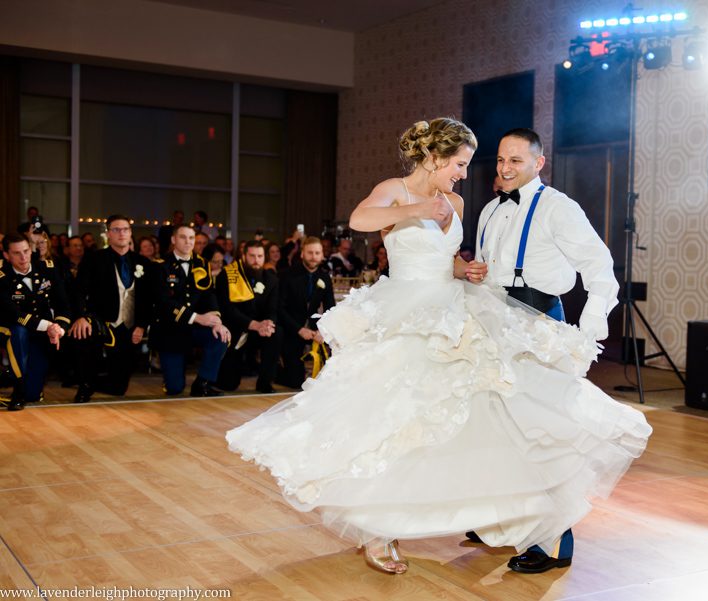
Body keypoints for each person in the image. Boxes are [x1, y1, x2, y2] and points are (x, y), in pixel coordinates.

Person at [226, 118, 650, 576]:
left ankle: (521, 524)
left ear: (538, 163)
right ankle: (381, 526)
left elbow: (448, 257)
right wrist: (417, 213)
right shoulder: (399, 190)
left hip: (478, 313)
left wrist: (460, 269)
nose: (471, 172)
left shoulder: (468, 202)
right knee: (394, 419)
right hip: (406, 312)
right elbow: (361, 219)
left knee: (496, 415)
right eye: (462, 163)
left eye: (506, 161)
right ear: (435, 158)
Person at [473, 127, 624, 572]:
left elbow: (601, 270)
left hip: (540, 324)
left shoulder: (560, 208)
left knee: (541, 434)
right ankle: (501, 522)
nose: (505, 168)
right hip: (492, 323)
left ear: (539, 163)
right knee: (496, 427)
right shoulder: (487, 210)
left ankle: (552, 542)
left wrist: (587, 332)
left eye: (516, 160)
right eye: (501, 160)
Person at [68, 215, 155, 403]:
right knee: (84, 335)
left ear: (131, 233)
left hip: (128, 325)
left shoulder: (143, 263)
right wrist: (81, 316)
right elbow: (79, 291)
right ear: (108, 234)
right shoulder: (94, 259)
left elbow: (148, 299)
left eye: (125, 229)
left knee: (118, 388)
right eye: (116, 229)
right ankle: (85, 385)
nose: (121, 233)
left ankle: (89, 380)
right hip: (100, 322)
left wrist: (141, 325)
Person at [148, 224, 230, 397]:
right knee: (175, 389)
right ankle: (171, 378)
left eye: (191, 238)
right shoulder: (159, 266)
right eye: (183, 237)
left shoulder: (202, 264)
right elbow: (164, 303)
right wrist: (197, 318)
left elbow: (209, 295)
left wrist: (216, 320)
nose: (188, 242)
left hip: (194, 327)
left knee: (220, 336)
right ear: (173, 240)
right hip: (171, 329)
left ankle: (202, 383)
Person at [0, 233, 70, 410]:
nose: (23, 257)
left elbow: (63, 304)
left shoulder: (47, 269)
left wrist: (59, 329)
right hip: (8, 327)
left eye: (25, 251)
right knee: (18, 331)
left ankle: (16, 383)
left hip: (41, 331)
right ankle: (17, 388)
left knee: (32, 395)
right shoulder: (2, 276)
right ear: (6, 255)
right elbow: (14, 314)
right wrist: (49, 326)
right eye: (16, 253)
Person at [214, 241, 281, 393]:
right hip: (235, 328)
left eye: (260, 256)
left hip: (260, 330)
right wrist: (253, 325)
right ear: (243, 256)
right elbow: (228, 310)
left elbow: (272, 309)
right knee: (228, 384)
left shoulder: (271, 279)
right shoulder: (228, 274)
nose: (256, 259)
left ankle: (265, 382)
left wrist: (268, 324)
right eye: (252, 256)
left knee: (277, 333)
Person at [276, 236, 335, 389]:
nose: (314, 257)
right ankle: (278, 371)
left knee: (325, 375)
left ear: (322, 255)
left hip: (315, 328)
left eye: (317, 253)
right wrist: (299, 329)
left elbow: (330, 307)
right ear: (302, 253)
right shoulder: (287, 275)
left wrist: (323, 330)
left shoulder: (324, 277)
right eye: (310, 253)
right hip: (291, 326)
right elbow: (279, 308)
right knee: (295, 382)